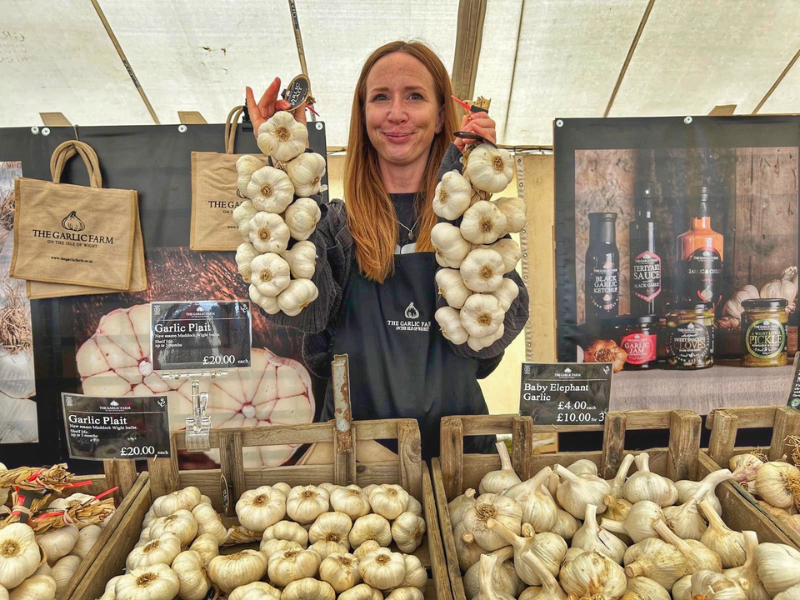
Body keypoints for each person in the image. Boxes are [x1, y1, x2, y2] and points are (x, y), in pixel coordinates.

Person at [246, 41, 529, 459]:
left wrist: (468, 179)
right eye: (381, 97)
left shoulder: (476, 223)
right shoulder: (335, 226)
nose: (396, 113)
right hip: (357, 465)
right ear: (363, 116)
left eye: (414, 96)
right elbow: (303, 311)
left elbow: (482, 350)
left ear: (439, 118)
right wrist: (283, 159)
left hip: (460, 461)